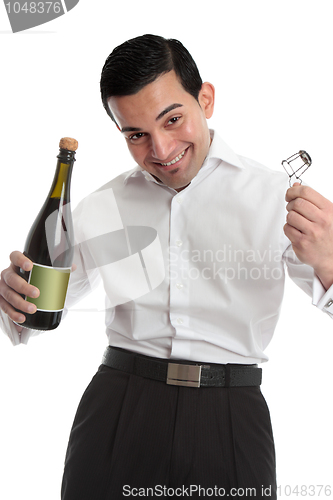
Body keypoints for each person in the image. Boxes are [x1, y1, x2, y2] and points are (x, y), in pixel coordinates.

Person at [1, 34, 333, 499]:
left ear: (206, 99)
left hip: (232, 417)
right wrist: (13, 298)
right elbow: (34, 317)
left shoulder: (275, 197)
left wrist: (330, 261)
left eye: (172, 119)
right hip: (117, 410)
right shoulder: (102, 205)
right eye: (135, 134)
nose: (160, 149)